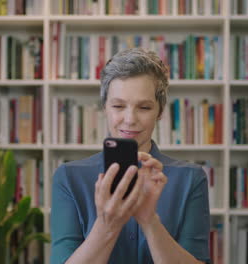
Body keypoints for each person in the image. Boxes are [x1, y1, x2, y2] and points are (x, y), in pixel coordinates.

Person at [50, 48, 210, 264]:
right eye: (118, 106)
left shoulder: (191, 178)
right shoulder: (68, 178)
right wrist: (108, 224)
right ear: (105, 107)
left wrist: (150, 221)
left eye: (144, 107)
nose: (129, 119)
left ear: (160, 111)